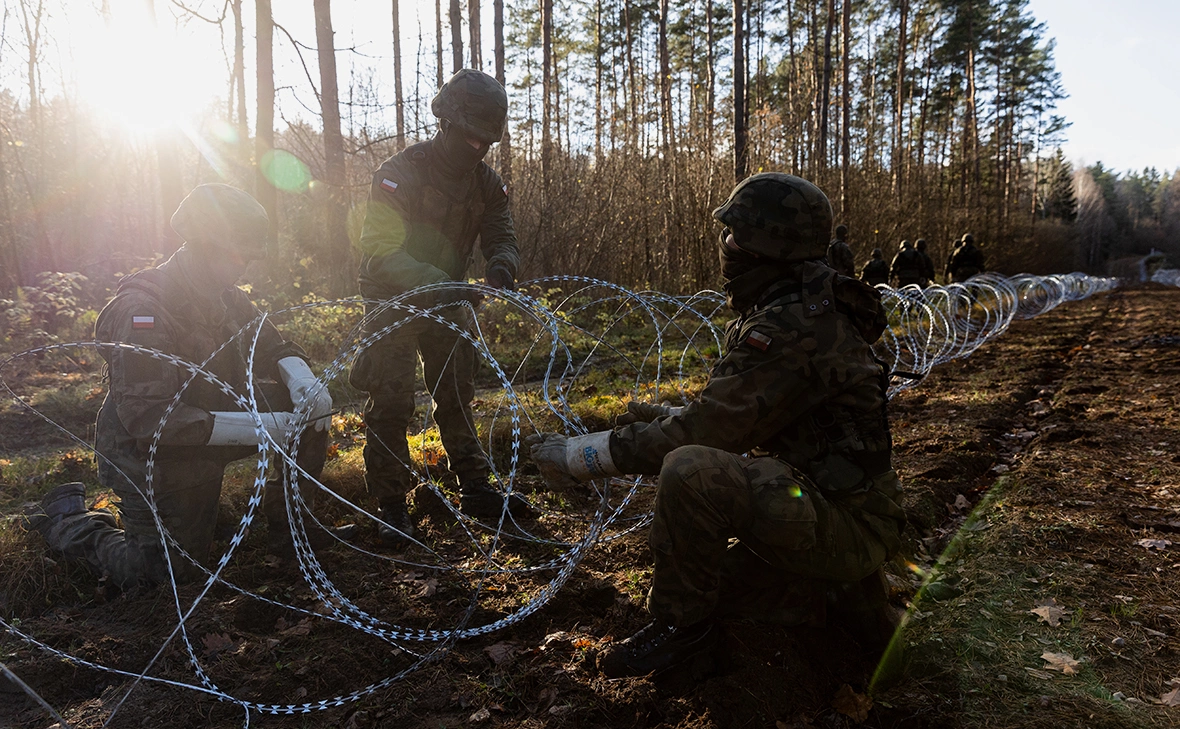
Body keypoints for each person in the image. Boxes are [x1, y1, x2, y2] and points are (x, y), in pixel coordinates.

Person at [528, 173, 905, 680]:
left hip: (844, 523)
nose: (725, 245)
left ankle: (684, 633)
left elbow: (705, 435)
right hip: (833, 504)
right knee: (726, 582)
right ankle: (826, 598)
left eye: (733, 234)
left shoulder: (791, 325)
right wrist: (666, 419)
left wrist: (579, 457)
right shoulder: (802, 305)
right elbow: (748, 417)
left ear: (763, 244)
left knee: (689, 470)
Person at [22, 184, 355, 590]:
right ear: (204, 247)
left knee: (308, 415)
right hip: (152, 453)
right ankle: (67, 519)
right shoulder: (143, 312)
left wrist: (304, 381)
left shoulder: (225, 296)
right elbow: (150, 420)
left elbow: (271, 343)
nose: (246, 265)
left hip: (211, 422)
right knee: (165, 576)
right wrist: (266, 426)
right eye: (239, 255)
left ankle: (293, 534)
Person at [349, 68, 527, 546]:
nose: (477, 148)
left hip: (449, 299)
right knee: (391, 403)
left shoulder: (487, 183)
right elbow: (381, 249)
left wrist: (502, 266)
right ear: (445, 123)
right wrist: (440, 283)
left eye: (486, 140)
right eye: (470, 137)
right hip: (392, 300)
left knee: (456, 394)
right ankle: (391, 509)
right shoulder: (398, 174)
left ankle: (475, 490)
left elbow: (501, 232)